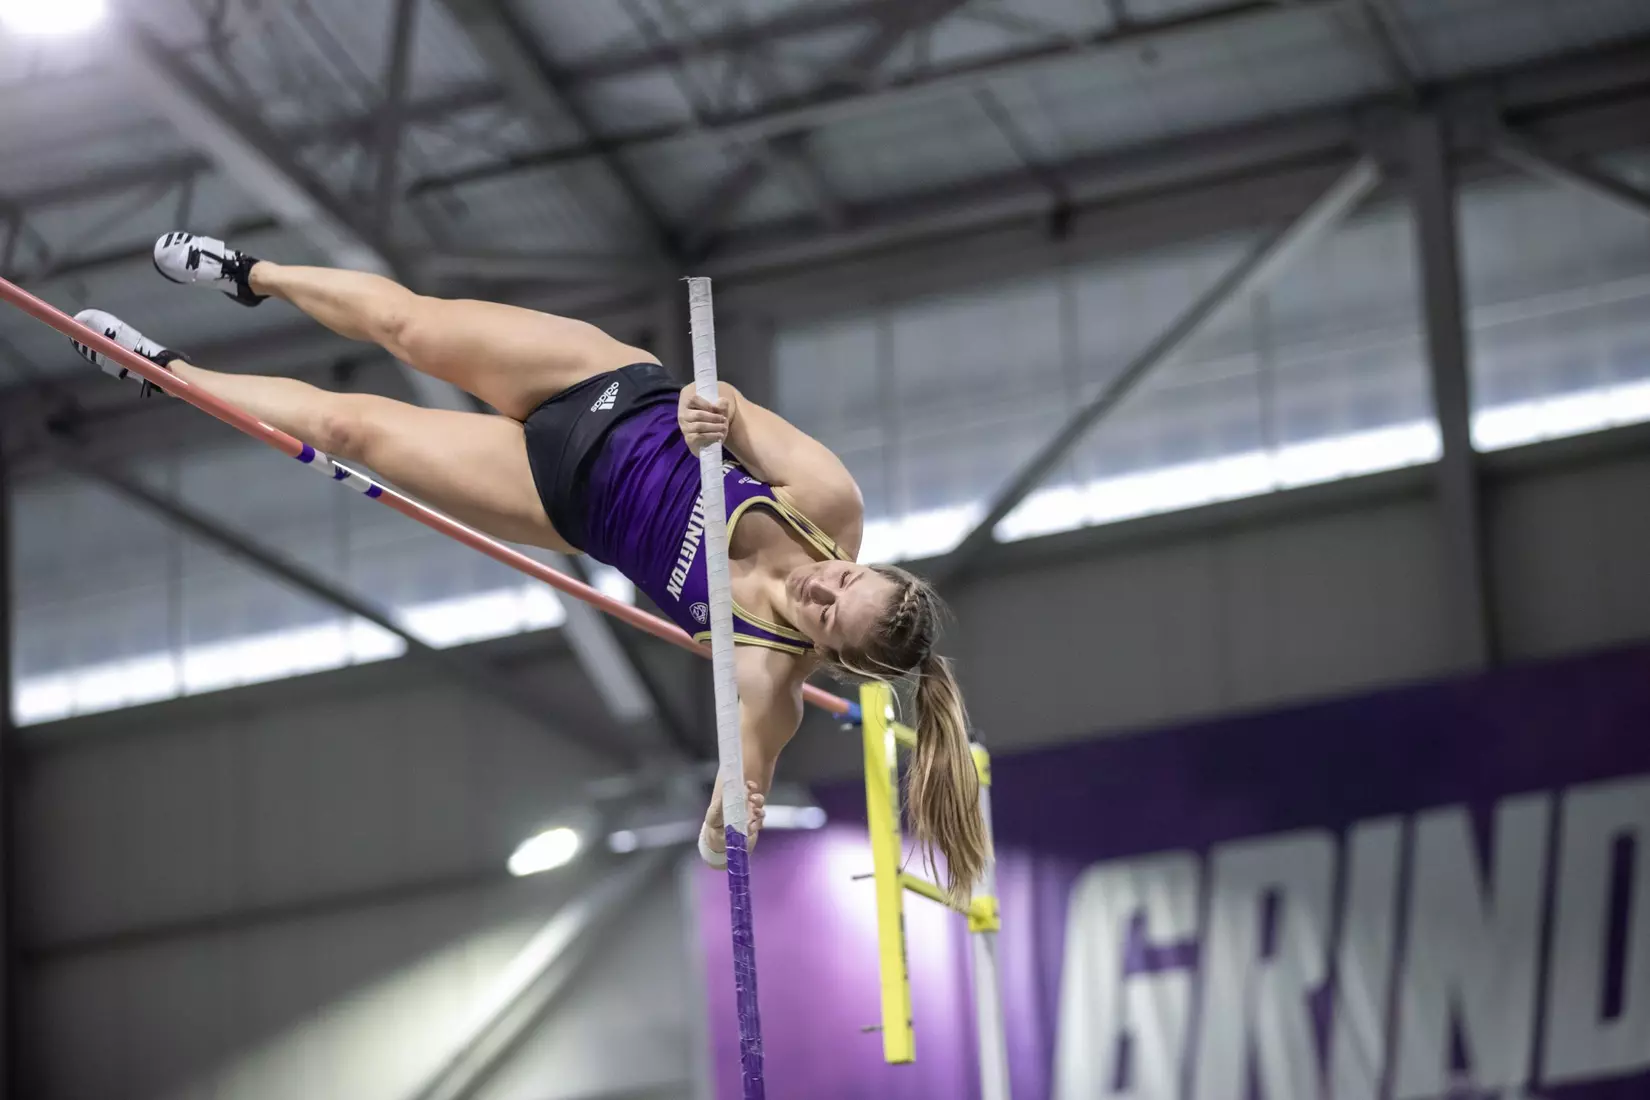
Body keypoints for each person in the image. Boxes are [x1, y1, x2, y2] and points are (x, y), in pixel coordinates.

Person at [69, 231, 988, 899]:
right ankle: (251, 274)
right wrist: (715, 413)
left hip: (556, 497)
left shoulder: (766, 674)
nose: (825, 586)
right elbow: (733, 404)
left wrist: (725, 824)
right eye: (849, 579)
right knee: (410, 327)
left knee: (350, 431)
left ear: (828, 652)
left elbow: (728, 806)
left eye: (829, 612)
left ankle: (159, 371)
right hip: (607, 387)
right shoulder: (831, 505)